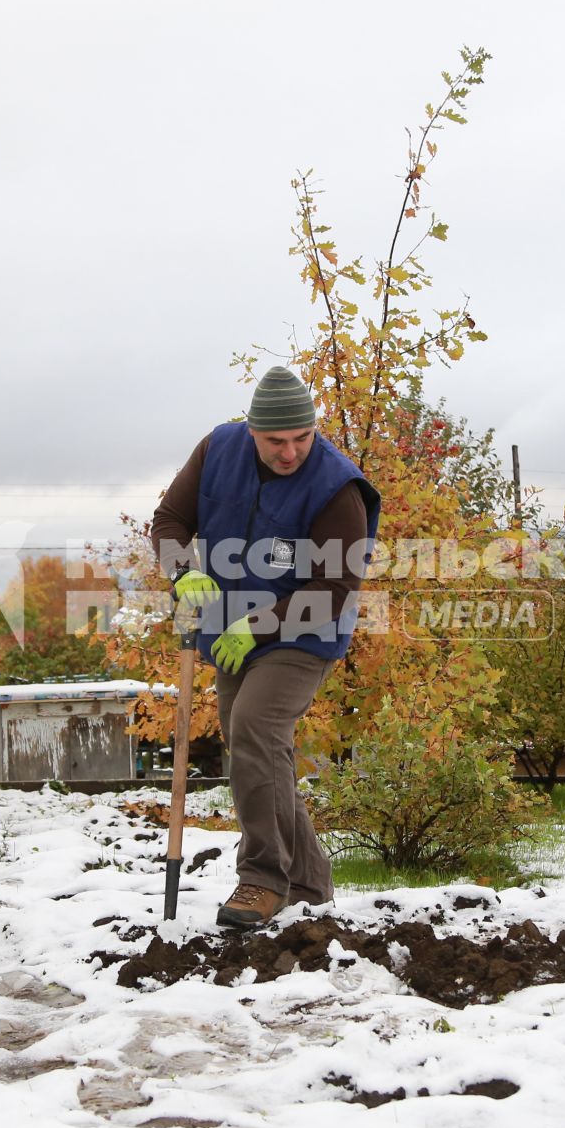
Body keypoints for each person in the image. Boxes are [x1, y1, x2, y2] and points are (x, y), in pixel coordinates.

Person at [151, 365, 382, 930]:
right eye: (276, 440)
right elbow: (170, 521)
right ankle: (308, 882)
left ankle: (261, 879)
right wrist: (182, 572)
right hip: (229, 630)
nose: (290, 452)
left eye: (302, 438)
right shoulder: (218, 449)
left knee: (255, 727)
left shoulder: (337, 486)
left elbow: (333, 588)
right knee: (256, 750)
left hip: (305, 630)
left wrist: (257, 626)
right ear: (252, 431)